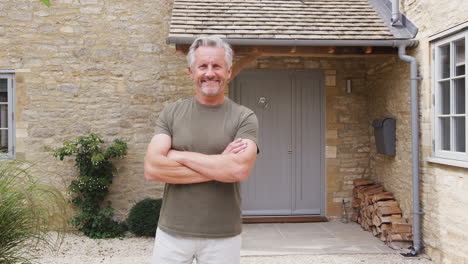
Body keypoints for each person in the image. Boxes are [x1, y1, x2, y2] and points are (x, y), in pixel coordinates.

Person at [144, 36, 259, 264]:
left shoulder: (244, 117)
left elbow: (238, 170)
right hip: (172, 233)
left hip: (223, 235)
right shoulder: (171, 113)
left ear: (228, 71)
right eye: (203, 66)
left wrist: (178, 155)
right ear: (191, 72)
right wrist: (219, 165)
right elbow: (152, 168)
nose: (209, 73)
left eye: (216, 66)